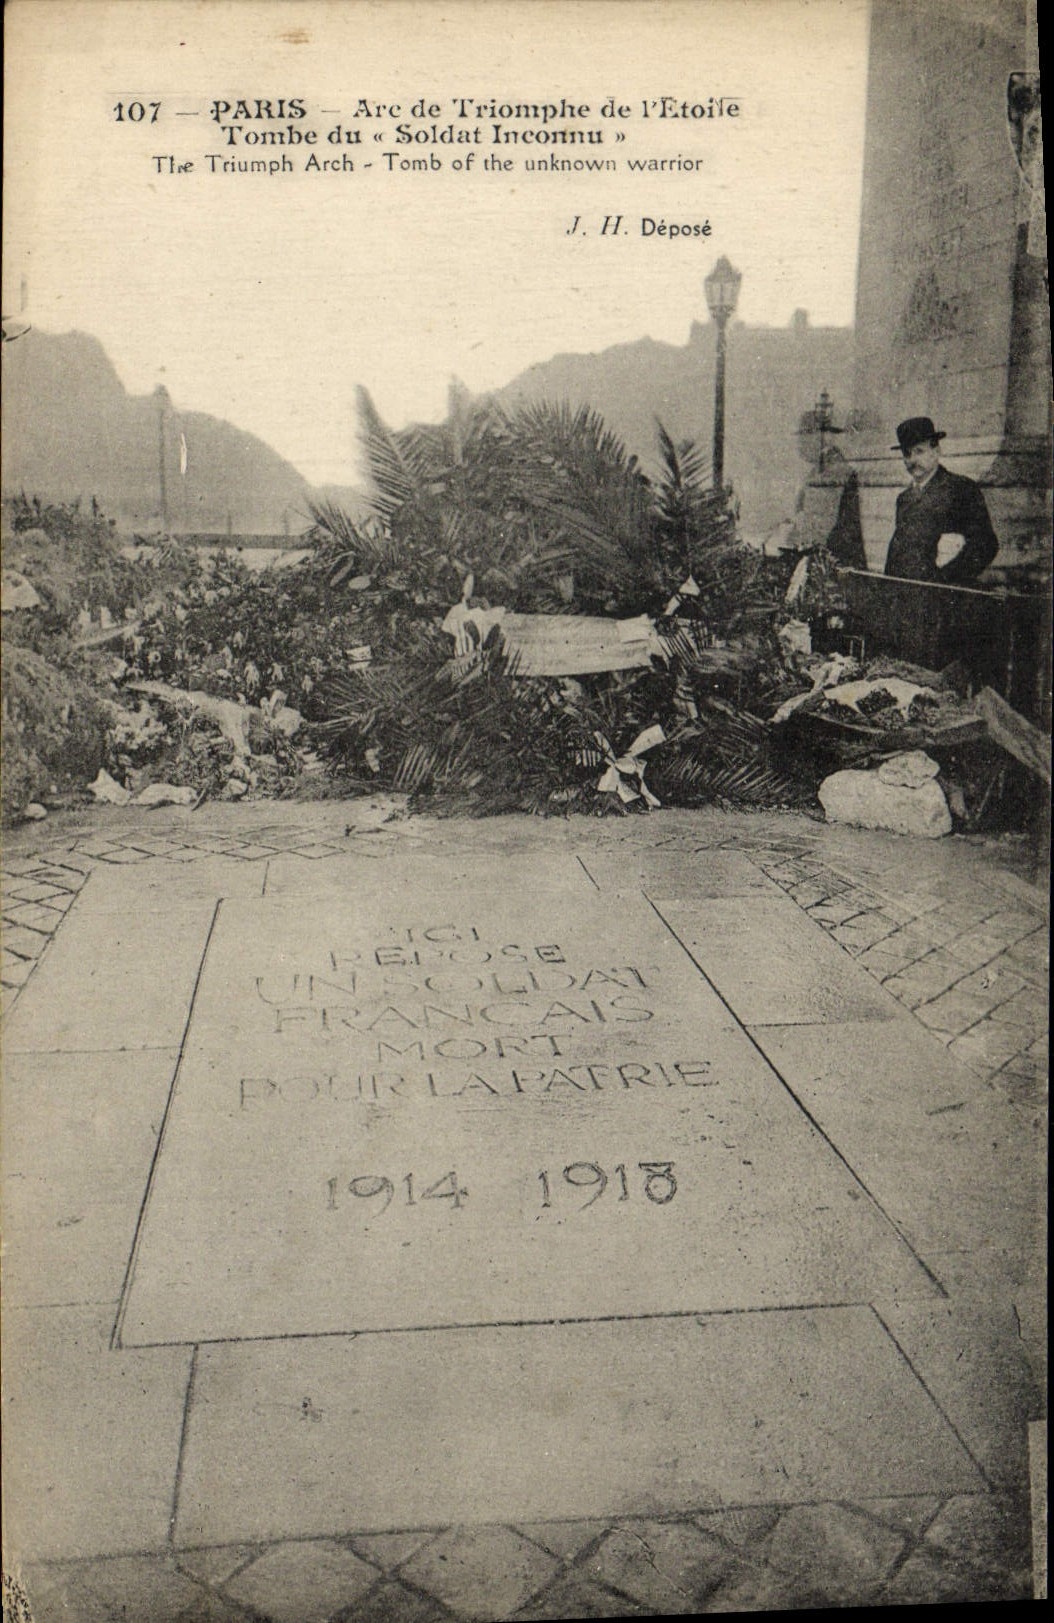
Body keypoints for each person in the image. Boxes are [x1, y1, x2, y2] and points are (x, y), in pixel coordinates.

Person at [884, 416, 999, 584]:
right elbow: (896, 553)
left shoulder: (961, 489)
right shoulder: (904, 499)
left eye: (919, 451)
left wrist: (945, 579)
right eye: (907, 454)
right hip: (908, 598)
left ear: (936, 451)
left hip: (944, 596)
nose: (913, 461)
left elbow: (986, 545)